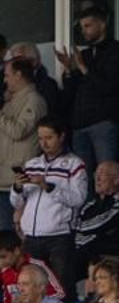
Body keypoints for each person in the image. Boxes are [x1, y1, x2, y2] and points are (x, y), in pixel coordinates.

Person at [9, 118, 87, 288]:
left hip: (59, 237)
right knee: (31, 288)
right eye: (40, 138)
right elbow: (16, 203)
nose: (44, 143)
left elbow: (79, 199)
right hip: (31, 237)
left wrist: (48, 186)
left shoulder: (75, 164)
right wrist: (17, 187)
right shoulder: (32, 163)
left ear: (61, 136)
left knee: (60, 288)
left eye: (49, 137)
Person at [55, 8, 119, 170]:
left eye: (88, 25)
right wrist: (69, 69)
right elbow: (72, 90)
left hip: (103, 122)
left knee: (106, 172)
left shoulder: (117, 50)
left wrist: (83, 68)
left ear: (102, 25)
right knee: (81, 177)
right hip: (79, 124)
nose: (84, 31)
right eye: (82, 27)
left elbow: (110, 86)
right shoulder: (86, 54)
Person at [0, 57, 47, 184]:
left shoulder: (34, 100)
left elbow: (18, 131)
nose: (4, 80)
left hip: (18, 179)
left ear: (18, 75)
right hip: (4, 177)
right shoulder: (9, 100)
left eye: (7, 75)